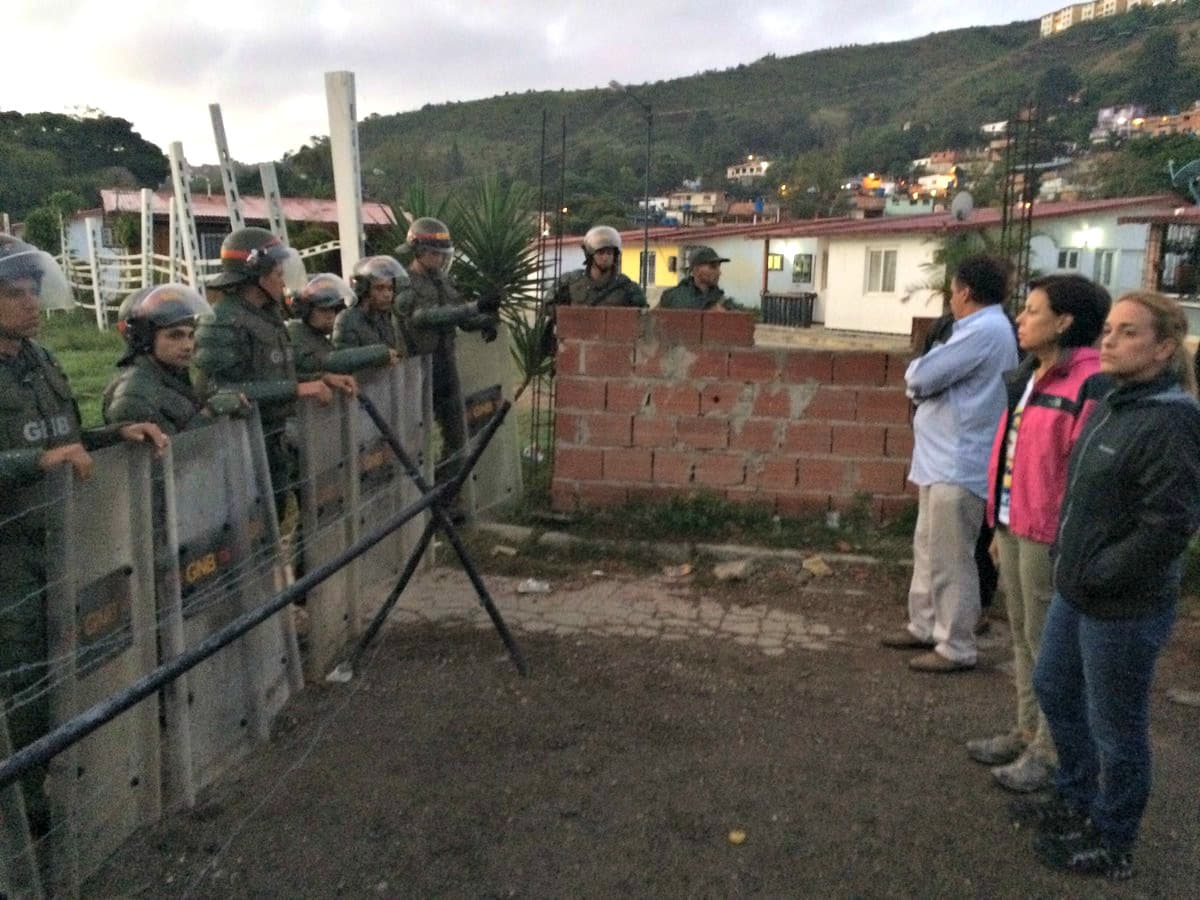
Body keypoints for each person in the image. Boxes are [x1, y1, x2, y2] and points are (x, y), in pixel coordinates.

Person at [1019, 292, 1200, 880]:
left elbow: (1168, 525)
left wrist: (1100, 572)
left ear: (1164, 348)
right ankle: (1077, 799)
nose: (1109, 340)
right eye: (1110, 330)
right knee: (1054, 687)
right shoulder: (1110, 401)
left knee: (1115, 725)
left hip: (1123, 604)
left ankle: (1113, 837)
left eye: (1127, 333)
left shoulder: (1172, 420)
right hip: (1079, 588)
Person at [0, 237, 166, 829]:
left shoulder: (39, 360)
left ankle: (48, 785)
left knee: (62, 660)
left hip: (56, 536)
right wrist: (35, 464)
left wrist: (114, 434)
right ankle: (21, 808)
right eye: (12, 293)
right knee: (19, 676)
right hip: (8, 549)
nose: (29, 304)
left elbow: (61, 439)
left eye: (31, 291)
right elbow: (40, 456)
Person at [965, 275, 1108, 793]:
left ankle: (1051, 749)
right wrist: (996, 525)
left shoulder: (1087, 381)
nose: (1020, 319)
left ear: (1064, 321)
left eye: (1031, 310)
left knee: (1050, 647)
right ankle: (1027, 729)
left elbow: (1084, 474)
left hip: (1049, 535)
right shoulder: (1031, 373)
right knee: (1024, 637)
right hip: (1013, 523)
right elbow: (1011, 453)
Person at [881, 255, 1018, 672]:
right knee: (928, 549)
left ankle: (956, 644)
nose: (952, 299)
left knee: (951, 558)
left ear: (964, 292)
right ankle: (924, 624)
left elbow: (920, 377)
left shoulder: (984, 330)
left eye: (954, 291)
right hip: (941, 459)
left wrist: (920, 375)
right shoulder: (982, 329)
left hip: (960, 461)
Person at [195, 227, 355, 517]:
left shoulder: (267, 315)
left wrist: (318, 379)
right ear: (257, 274)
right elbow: (218, 392)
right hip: (236, 446)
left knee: (279, 512)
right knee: (252, 525)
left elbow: (270, 377)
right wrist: (297, 389)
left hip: (271, 435)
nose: (283, 282)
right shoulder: (221, 320)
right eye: (278, 274)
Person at [392, 217, 501, 516]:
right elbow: (423, 317)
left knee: (458, 438)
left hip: (444, 366)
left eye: (442, 254)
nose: (439, 259)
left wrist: (484, 320)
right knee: (415, 443)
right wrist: (473, 308)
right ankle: (412, 506)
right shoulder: (403, 284)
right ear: (417, 251)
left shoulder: (444, 281)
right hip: (415, 370)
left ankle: (442, 499)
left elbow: (460, 319)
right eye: (434, 253)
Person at [104, 283, 243, 434]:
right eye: (175, 336)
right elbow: (166, 452)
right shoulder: (135, 393)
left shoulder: (169, 376)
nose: (188, 346)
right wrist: (209, 413)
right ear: (144, 339)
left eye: (191, 335)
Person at [286, 273, 394, 379]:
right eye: (323, 309)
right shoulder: (295, 333)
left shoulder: (318, 337)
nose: (331, 316)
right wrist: (381, 352)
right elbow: (326, 362)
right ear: (305, 310)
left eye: (333, 309)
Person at [551, 225, 647, 310]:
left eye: (609, 253)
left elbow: (642, 317)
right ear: (590, 255)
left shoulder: (628, 287)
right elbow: (550, 309)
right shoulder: (570, 282)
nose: (605, 258)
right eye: (600, 253)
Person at [334, 256, 404, 352]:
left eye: (390, 288)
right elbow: (345, 359)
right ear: (364, 290)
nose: (387, 294)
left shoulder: (389, 317)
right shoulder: (348, 318)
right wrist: (380, 356)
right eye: (379, 288)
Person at [659, 246, 738, 310]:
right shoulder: (673, 297)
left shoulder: (721, 299)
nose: (719, 272)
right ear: (696, 269)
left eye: (718, 267)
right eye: (713, 267)